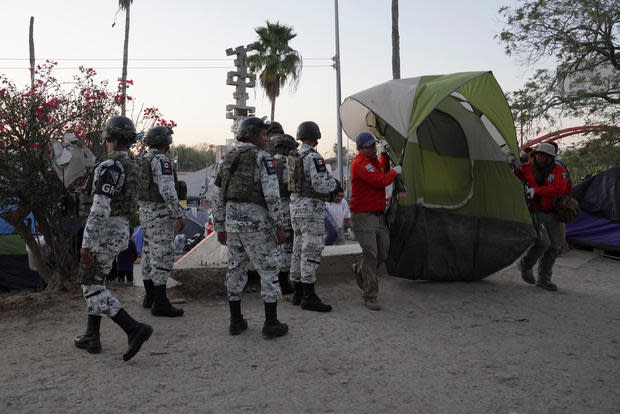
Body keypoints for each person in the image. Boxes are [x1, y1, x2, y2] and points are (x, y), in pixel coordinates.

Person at [75, 115, 153, 361]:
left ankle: (133, 328)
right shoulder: (132, 165)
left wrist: (87, 242)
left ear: (109, 138)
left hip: (104, 231)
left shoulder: (110, 166)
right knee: (98, 280)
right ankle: (91, 335)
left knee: (91, 285)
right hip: (121, 229)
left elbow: (99, 207)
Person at [213, 116, 289, 339]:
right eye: (264, 134)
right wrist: (280, 225)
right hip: (257, 224)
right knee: (268, 269)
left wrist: (219, 225)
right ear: (255, 134)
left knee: (235, 269)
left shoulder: (227, 159)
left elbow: (217, 195)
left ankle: (235, 321)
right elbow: (272, 195)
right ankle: (271, 323)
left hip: (233, 223)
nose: (266, 138)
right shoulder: (263, 158)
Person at [288, 121, 339, 312]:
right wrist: (335, 184)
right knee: (312, 249)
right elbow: (320, 185)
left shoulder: (293, 156)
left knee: (298, 249)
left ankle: (298, 293)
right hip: (311, 210)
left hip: (295, 208)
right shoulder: (314, 157)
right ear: (316, 137)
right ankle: (309, 297)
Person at [349, 133, 400, 310]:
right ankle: (370, 295)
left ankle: (359, 268)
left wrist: (385, 156)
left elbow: (381, 170)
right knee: (371, 254)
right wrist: (395, 172)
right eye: (369, 146)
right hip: (363, 216)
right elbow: (380, 180)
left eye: (374, 146)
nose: (373, 148)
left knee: (383, 253)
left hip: (377, 215)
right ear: (360, 148)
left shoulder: (371, 161)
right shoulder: (360, 163)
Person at [138, 126, 184, 317]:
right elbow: (167, 189)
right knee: (162, 255)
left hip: (146, 211)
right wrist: (178, 213)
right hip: (159, 213)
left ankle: (150, 297)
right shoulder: (161, 160)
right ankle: (161, 302)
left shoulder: (143, 159)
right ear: (166, 142)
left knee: (148, 253)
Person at [514, 142, 571, 291]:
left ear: (552, 157)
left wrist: (537, 190)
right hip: (535, 211)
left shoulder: (559, 170)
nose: (543, 158)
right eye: (541, 154)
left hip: (553, 213)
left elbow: (558, 188)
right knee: (543, 243)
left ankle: (544, 280)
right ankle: (525, 265)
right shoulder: (525, 169)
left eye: (547, 156)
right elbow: (513, 176)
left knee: (555, 246)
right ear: (536, 154)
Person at [266, 133, 299, 294]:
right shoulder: (285, 163)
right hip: (285, 207)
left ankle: (279, 279)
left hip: (273, 208)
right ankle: (283, 281)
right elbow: (288, 186)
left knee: (277, 245)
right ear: (285, 148)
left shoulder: (269, 162)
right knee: (287, 244)